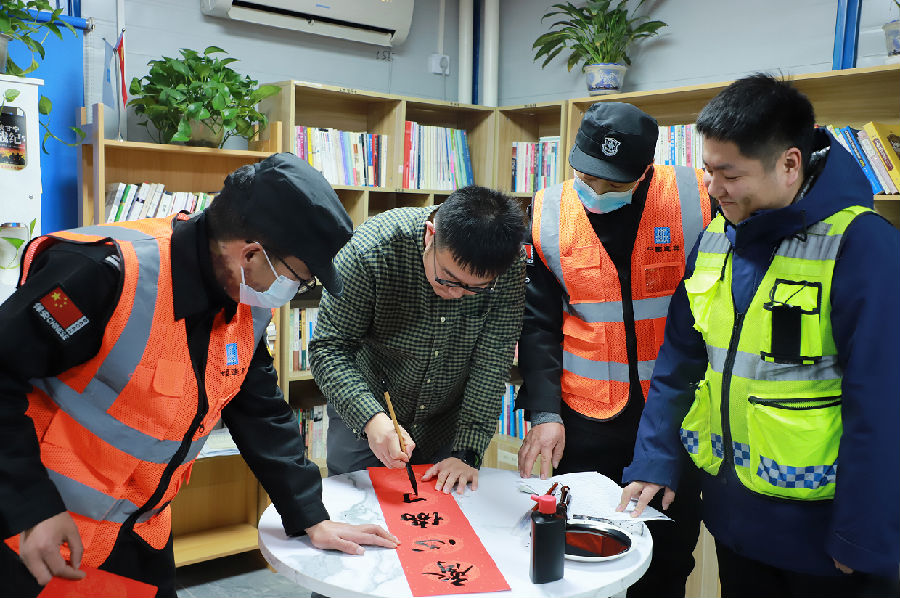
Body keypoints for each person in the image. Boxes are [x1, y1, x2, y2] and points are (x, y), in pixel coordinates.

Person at [0, 153, 400, 598]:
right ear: (251, 254)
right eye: (299, 278)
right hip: (40, 531)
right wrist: (30, 507)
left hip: (139, 531)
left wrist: (309, 514)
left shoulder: (245, 303)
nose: (295, 291)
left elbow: (260, 410)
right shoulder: (100, 274)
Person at [619, 74, 900, 597]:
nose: (713, 188)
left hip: (826, 540)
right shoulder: (716, 238)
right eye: (708, 170)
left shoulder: (863, 246)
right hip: (735, 524)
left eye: (729, 174)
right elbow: (680, 362)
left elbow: (883, 403)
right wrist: (656, 460)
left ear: (790, 164)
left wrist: (864, 532)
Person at [515, 101, 711, 597]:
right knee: (580, 555)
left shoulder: (696, 197)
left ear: (645, 169)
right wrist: (544, 413)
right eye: (587, 175)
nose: (597, 191)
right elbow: (538, 326)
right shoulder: (547, 211)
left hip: (676, 417)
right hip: (585, 421)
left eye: (613, 182)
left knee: (667, 558)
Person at [309, 186, 526, 494]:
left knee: (443, 514)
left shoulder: (509, 264)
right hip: (365, 406)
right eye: (447, 278)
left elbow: (492, 360)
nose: (455, 293)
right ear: (430, 235)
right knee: (359, 509)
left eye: (473, 289)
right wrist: (371, 419)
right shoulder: (371, 251)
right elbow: (329, 349)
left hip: (445, 422)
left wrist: (467, 450)